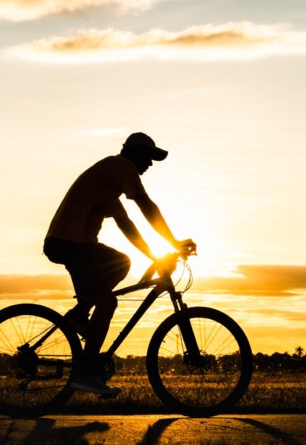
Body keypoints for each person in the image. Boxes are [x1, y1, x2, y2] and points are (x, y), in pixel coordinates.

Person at [43, 132, 194, 396]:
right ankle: (85, 373)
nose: (150, 165)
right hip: (70, 243)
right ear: (133, 153)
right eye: (148, 158)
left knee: (120, 262)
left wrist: (155, 257)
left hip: (78, 244)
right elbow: (146, 205)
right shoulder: (120, 167)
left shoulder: (108, 184)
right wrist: (175, 242)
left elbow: (128, 226)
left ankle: (80, 314)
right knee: (107, 302)